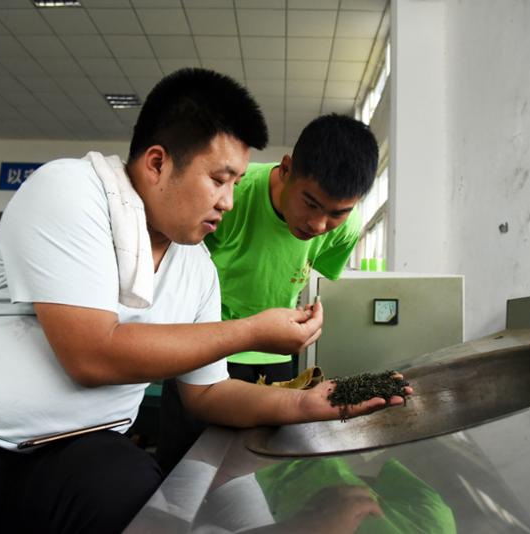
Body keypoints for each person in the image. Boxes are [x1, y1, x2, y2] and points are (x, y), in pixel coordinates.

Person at [0, 68, 406, 534]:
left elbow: (208, 394)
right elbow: (91, 354)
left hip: (78, 451)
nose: (228, 201)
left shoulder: (196, 269)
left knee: (141, 505)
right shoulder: (71, 190)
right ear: (157, 163)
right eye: (219, 180)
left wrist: (307, 404)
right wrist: (251, 330)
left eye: (235, 183)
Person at [157, 114, 381, 473]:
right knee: (185, 467)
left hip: (276, 353)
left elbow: (297, 271)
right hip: (203, 346)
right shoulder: (231, 197)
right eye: (310, 204)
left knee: (264, 470)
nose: (318, 225)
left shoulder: (346, 227)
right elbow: (183, 276)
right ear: (287, 169)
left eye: (337, 213)